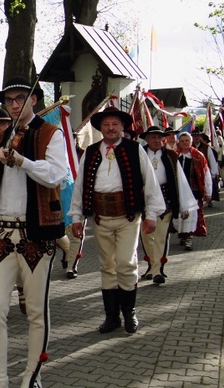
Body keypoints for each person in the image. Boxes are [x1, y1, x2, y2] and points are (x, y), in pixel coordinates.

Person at [0, 76, 68, 388]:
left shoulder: (51, 133)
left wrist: (23, 161)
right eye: (8, 100)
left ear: (33, 100)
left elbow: (56, 175)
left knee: (36, 312)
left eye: (19, 98)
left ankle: (31, 376)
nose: (13, 104)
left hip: (35, 234)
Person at [69, 106, 165, 335]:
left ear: (122, 127)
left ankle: (129, 312)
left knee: (125, 262)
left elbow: (149, 183)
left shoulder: (135, 150)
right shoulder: (91, 152)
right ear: (100, 128)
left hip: (128, 217)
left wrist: (151, 214)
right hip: (100, 218)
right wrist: (76, 216)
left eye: (115, 124)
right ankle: (112, 316)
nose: (111, 128)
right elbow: (80, 185)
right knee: (107, 266)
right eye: (106, 125)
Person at [138, 126, 198, 285]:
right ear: (146, 139)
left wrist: (184, 205)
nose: (157, 141)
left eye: (159, 137)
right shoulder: (139, 154)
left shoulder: (171, 156)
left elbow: (180, 180)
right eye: (153, 138)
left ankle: (158, 270)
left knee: (161, 235)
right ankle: (151, 266)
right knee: (146, 236)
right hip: (144, 200)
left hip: (166, 200)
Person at [176, 132, 212, 251]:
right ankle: (183, 234)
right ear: (179, 143)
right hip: (178, 190)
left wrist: (208, 192)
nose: (185, 143)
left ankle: (189, 238)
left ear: (191, 142)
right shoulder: (174, 155)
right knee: (180, 215)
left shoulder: (198, 156)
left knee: (192, 214)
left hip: (193, 190)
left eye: (187, 140)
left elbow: (206, 173)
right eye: (182, 141)